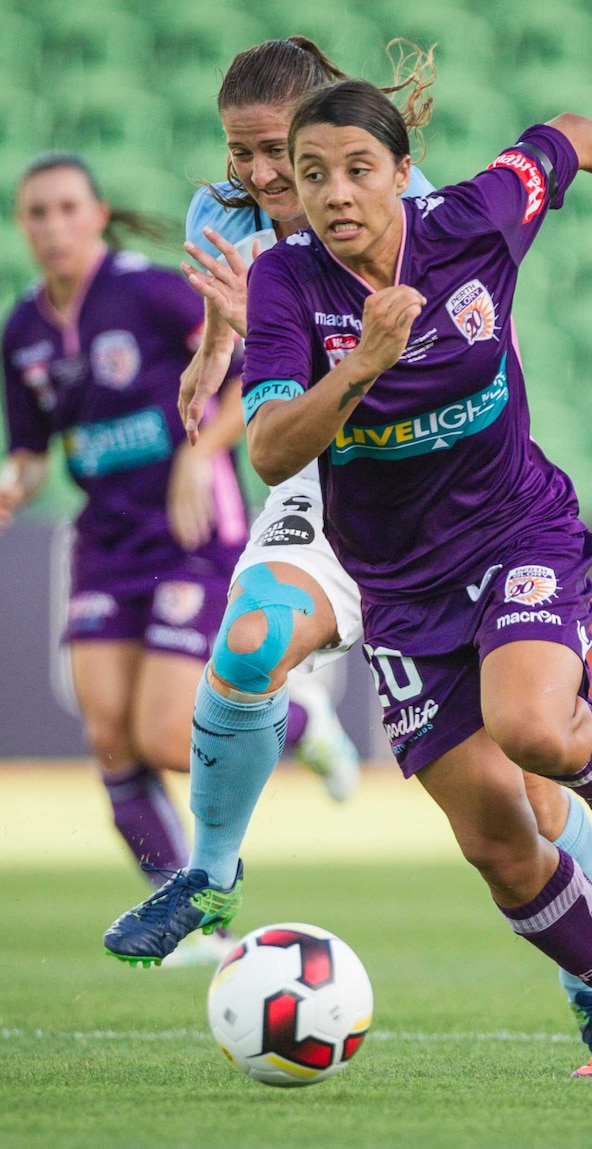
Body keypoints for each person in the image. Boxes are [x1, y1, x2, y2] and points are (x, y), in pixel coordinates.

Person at [109, 75, 592, 1076]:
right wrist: (358, 367)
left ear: (404, 174)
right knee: (495, 841)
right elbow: (271, 452)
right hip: (397, 583)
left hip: (512, 531)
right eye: (310, 176)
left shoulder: (470, 222)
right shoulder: (285, 283)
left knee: (534, 729)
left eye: (355, 170)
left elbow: (570, 133)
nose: (329, 193)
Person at [0, 153, 248, 962]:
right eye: (36, 212)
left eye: (67, 207)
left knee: (168, 735)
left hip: (188, 530)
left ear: (98, 214)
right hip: (107, 543)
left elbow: (254, 369)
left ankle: (302, 722)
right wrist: (12, 486)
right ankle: (189, 917)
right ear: (23, 227)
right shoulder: (24, 333)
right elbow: (34, 454)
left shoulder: (147, 289)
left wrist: (197, 450)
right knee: (109, 734)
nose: (52, 225)